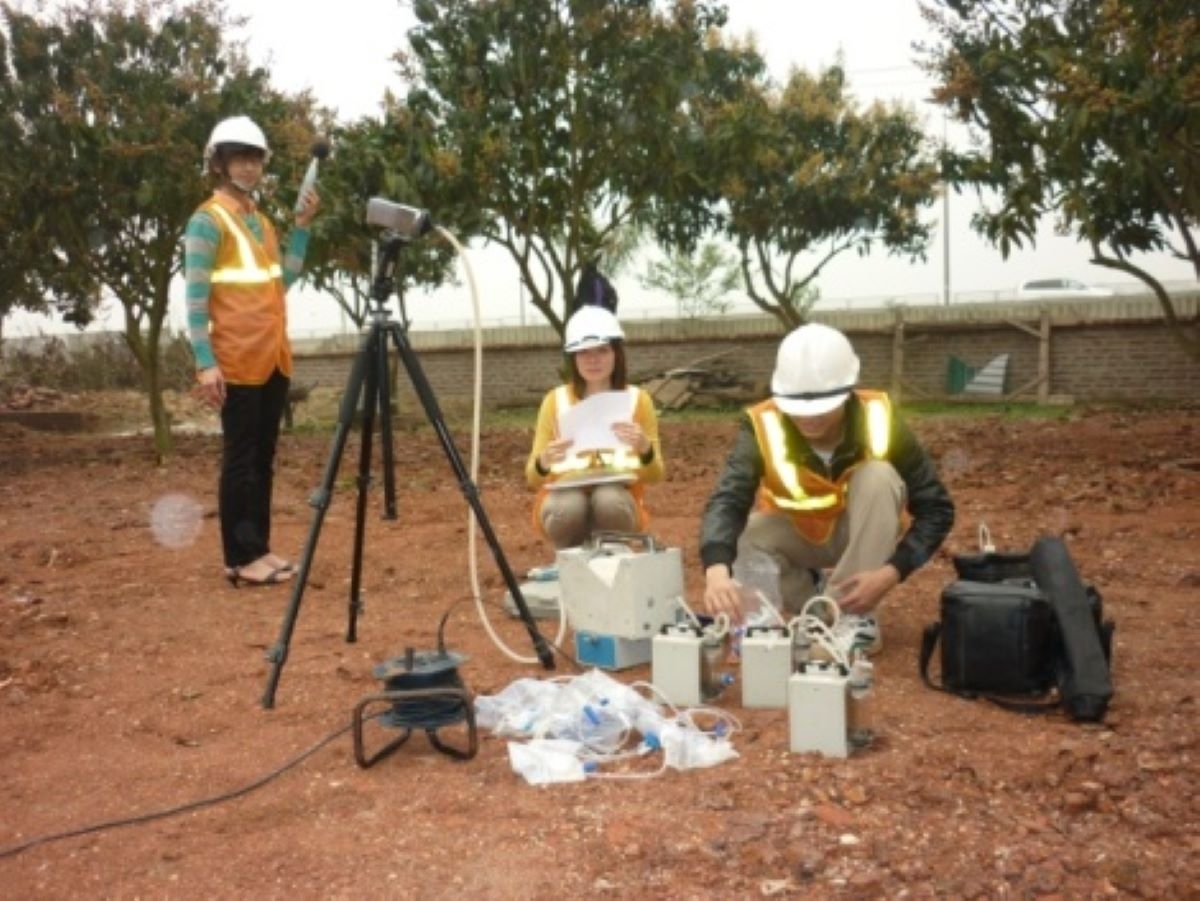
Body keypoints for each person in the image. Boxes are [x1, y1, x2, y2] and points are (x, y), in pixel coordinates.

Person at [700, 322, 954, 654]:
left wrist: (891, 573)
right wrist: (716, 571)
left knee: (877, 475)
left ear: (848, 391)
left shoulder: (878, 416)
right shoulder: (763, 424)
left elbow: (936, 508)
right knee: (742, 536)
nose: (809, 418)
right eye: (797, 408)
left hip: (864, 533)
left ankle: (854, 620)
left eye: (822, 408)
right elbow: (729, 499)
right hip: (801, 534)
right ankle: (818, 608)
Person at [184, 115, 321, 587]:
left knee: (262, 458)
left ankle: (258, 548)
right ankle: (240, 559)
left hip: (273, 358)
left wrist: (301, 227)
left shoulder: (259, 222)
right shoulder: (207, 222)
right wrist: (205, 363)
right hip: (237, 360)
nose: (248, 167)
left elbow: (284, 281)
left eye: (255, 159)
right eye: (239, 158)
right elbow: (196, 299)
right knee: (240, 460)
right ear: (219, 163)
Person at [525, 306, 664, 548]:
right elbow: (532, 478)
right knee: (569, 506)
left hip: (619, 501)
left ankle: (615, 557)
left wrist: (644, 447)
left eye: (602, 350)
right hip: (564, 502)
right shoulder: (555, 401)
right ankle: (570, 560)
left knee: (608, 499)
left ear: (616, 354)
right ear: (573, 358)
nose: (593, 360)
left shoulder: (638, 401)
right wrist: (544, 460)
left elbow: (656, 475)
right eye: (583, 352)